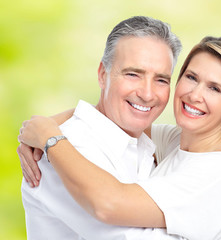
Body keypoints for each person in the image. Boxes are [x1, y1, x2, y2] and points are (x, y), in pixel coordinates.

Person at [19, 34, 221, 240]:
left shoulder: (219, 173)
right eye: (191, 77)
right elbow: (118, 115)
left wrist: (51, 139)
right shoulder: (177, 142)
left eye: (214, 88)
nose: (195, 95)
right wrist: (44, 126)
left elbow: (110, 204)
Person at [16, 15, 186, 239]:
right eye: (133, 74)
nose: (147, 94)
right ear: (102, 75)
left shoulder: (149, 146)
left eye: (161, 80)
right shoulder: (62, 151)